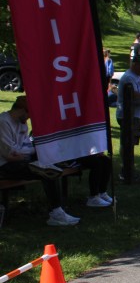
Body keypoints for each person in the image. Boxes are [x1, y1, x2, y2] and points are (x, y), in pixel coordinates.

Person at [0, 96, 80, 226]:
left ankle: (57, 211)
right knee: (47, 171)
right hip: (5, 165)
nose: (29, 119)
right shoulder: (3, 122)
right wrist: (24, 152)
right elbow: (8, 154)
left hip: (18, 161)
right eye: (29, 115)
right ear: (22, 110)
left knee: (50, 165)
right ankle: (56, 213)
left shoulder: (21, 123)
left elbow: (26, 147)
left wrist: (21, 153)